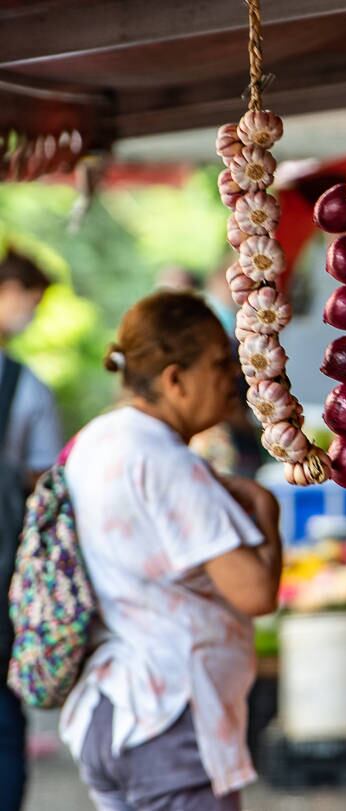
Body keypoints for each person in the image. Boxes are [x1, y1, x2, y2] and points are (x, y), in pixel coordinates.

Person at [59, 291, 282, 810]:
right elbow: (254, 592)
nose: (233, 379)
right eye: (218, 364)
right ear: (173, 379)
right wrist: (266, 514)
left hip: (112, 712)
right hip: (168, 718)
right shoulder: (164, 459)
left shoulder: (93, 441)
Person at [0, 250, 61, 811]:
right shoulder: (25, 387)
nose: (32, 314)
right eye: (32, 301)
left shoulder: (27, 386)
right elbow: (44, 491)